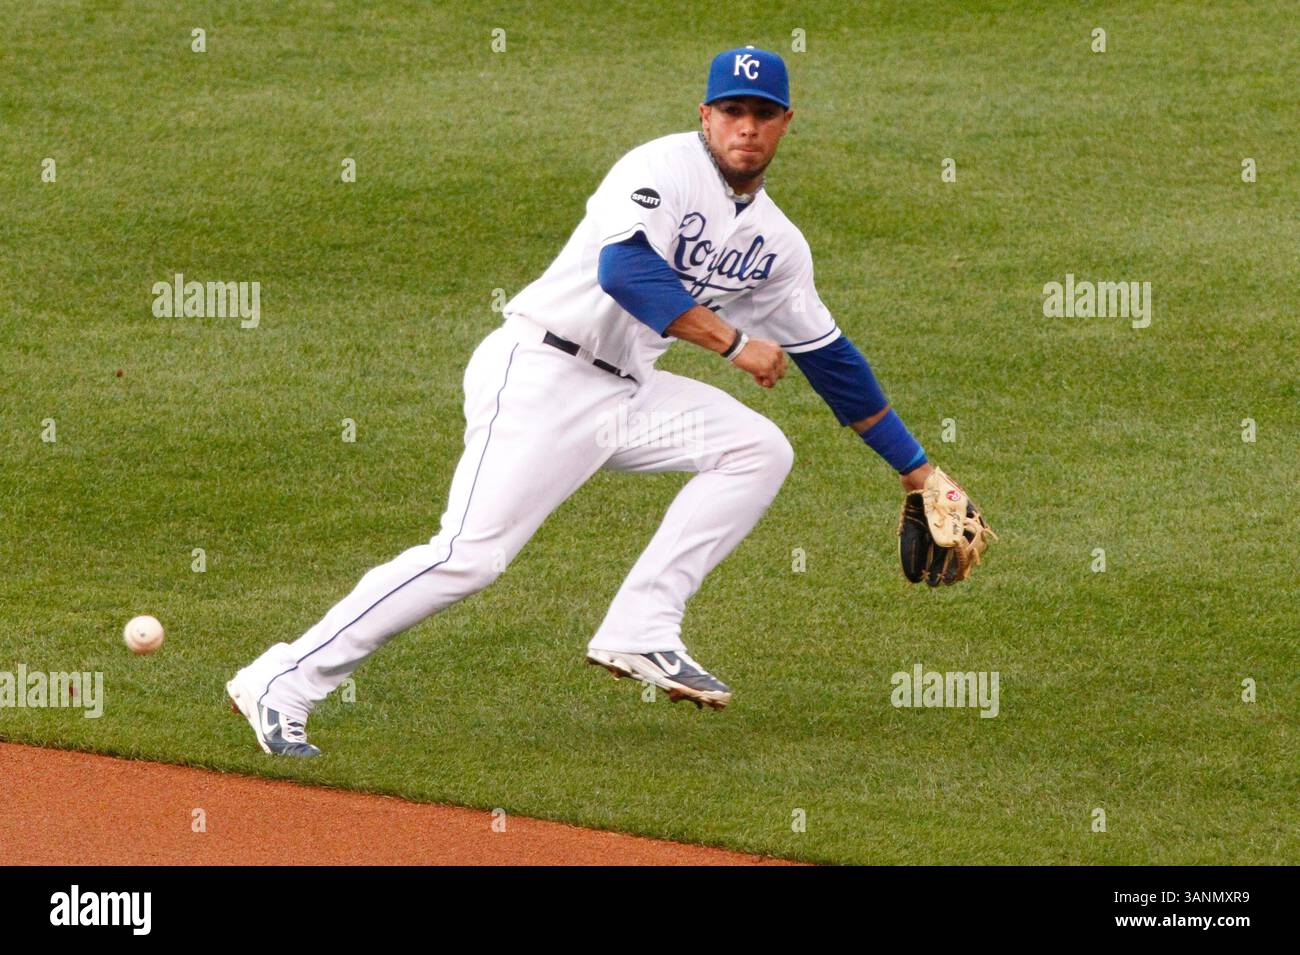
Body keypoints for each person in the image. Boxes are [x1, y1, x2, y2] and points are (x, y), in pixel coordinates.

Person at [227, 46, 939, 756]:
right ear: (705, 115)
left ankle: (642, 626)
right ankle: (280, 679)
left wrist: (918, 470)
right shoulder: (660, 167)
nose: (744, 127)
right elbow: (624, 270)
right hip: (543, 371)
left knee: (757, 447)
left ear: (786, 123)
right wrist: (732, 344)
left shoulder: (777, 244)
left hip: (629, 392)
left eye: (761, 114)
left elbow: (833, 361)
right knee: (469, 556)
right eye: (731, 111)